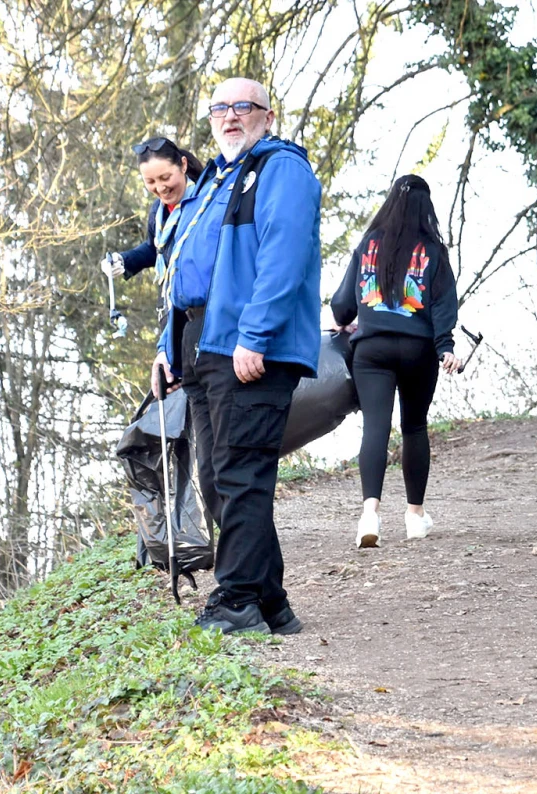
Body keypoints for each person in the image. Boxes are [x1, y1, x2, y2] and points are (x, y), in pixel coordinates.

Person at [150, 77, 322, 635]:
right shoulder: (213, 182)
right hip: (199, 345)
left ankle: (237, 601)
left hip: (246, 345)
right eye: (219, 108)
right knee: (219, 476)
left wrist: (256, 334)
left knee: (242, 472)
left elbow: (284, 254)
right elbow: (180, 269)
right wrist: (165, 348)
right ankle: (272, 604)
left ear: (266, 116)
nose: (230, 117)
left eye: (242, 107)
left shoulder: (282, 170)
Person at [331, 175, 461, 548]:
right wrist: (445, 346)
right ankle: (414, 517)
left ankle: (369, 514)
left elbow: (342, 305)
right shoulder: (434, 250)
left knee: (376, 426)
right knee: (414, 428)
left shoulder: (368, 244)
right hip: (419, 350)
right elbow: (442, 307)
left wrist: (354, 319)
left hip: (372, 351)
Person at [100, 137, 205, 317]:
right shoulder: (158, 211)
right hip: (170, 312)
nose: (160, 188)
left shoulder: (206, 201)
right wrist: (123, 260)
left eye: (165, 178)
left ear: (183, 165)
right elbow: (154, 249)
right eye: (150, 182)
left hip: (203, 310)